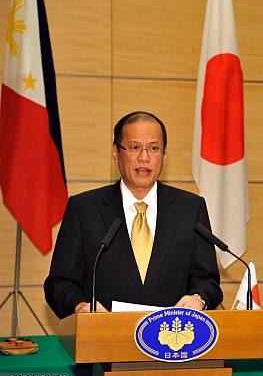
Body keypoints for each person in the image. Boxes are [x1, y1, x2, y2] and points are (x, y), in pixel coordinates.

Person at [45, 111, 223, 318]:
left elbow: (208, 279)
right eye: (134, 147)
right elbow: (59, 283)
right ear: (115, 153)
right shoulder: (84, 208)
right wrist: (80, 306)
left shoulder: (190, 208)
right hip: (103, 340)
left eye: (154, 148)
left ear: (164, 156)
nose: (144, 157)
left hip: (171, 340)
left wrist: (199, 298)